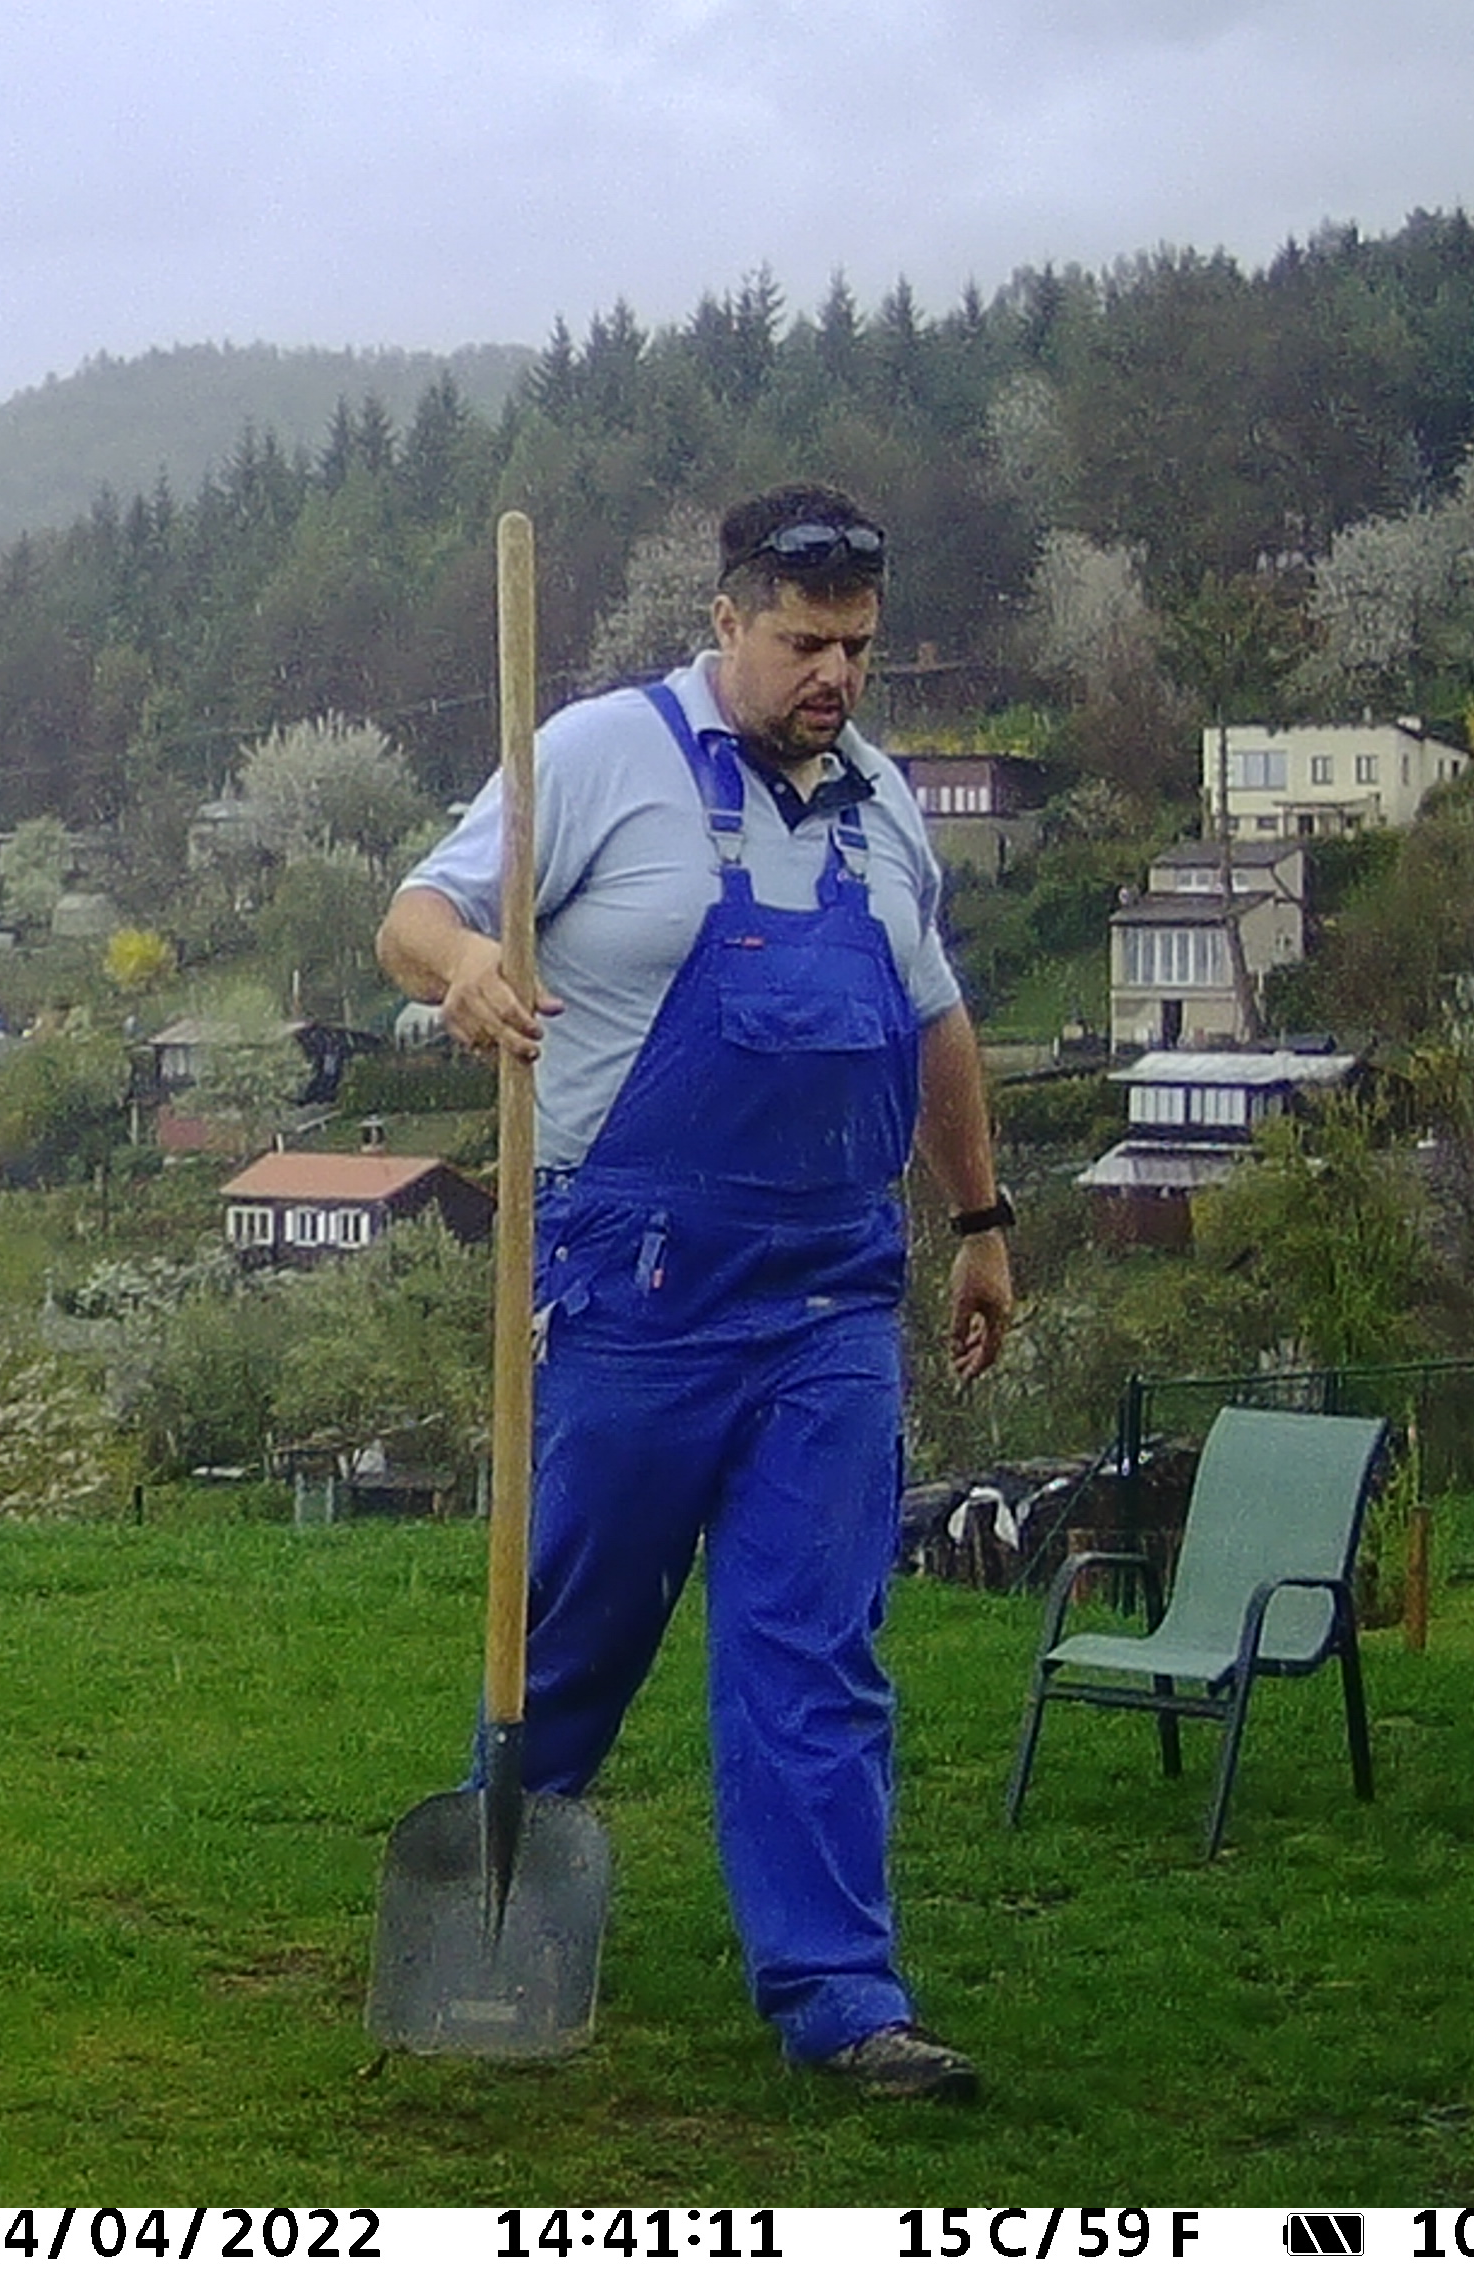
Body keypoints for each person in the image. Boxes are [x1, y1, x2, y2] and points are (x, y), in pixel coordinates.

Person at [377, 481, 1018, 2102]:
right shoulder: (602, 755)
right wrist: (468, 967)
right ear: (727, 621)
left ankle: (842, 2000)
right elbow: (415, 914)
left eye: (857, 647)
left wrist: (981, 1219)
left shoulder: (885, 807)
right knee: (573, 1632)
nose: (834, 675)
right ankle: (497, 1886)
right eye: (803, 643)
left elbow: (933, 1023)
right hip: (635, 1294)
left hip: (829, 1304)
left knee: (816, 1653)